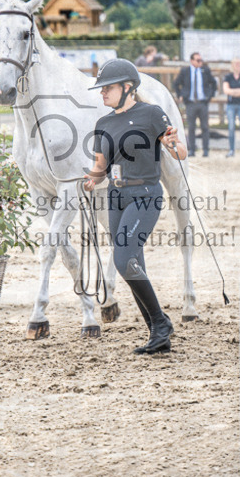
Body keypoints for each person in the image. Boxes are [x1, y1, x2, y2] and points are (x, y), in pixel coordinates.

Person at [83, 59, 187, 355]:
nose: (102, 93)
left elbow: (180, 152)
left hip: (145, 194)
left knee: (123, 258)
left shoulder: (151, 114)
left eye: (108, 88)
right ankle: (159, 332)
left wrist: (173, 143)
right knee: (132, 262)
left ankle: (160, 323)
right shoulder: (103, 123)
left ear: (128, 87)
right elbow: (100, 165)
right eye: (101, 88)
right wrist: (91, 180)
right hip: (116, 198)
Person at [173, 51, 217, 156]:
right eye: (198, 60)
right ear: (192, 61)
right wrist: (181, 94)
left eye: (201, 60)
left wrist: (209, 96)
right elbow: (176, 83)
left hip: (202, 102)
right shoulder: (185, 71)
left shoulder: (205, 70)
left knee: (205, 127)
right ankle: (192, 150)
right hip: (190, 103)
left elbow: (213, 83)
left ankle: (206, 150)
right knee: (191, 127)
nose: (200, 62)